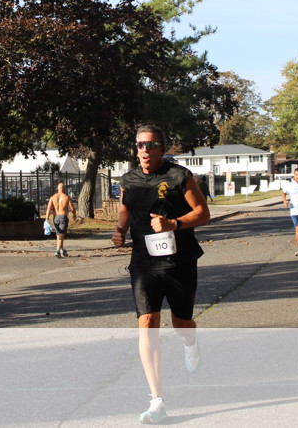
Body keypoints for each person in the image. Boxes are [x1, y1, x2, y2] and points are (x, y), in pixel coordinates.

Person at [112, 125, 210, 424]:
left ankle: (190, 342)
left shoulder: (180, 176)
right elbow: (125, 208)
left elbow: (203, 213)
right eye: (140, 145)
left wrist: (174, 224)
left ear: (162, 148)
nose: (144, 150)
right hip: (144, 263)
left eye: (150, 145)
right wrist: (120, 230)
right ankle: (157, 400)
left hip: (179, 261)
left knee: (181, 322)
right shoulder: (128, 180)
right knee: (147, 324)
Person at [45, 181, 79, 257]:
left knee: (58, 234)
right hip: (63, 216)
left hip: (55, 217)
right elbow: (72, 208)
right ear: (64, 189)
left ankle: (62, 250)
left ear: (58, 189)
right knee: (61, 234)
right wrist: (74, 215)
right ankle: (57, 250)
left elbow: (49, 208)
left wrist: (47, 217)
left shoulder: (52, 197)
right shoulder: (66, 197)